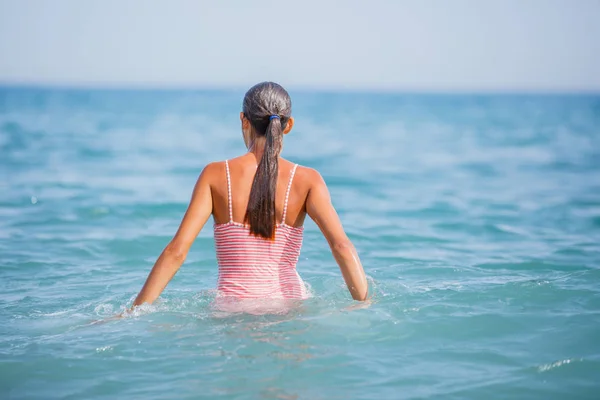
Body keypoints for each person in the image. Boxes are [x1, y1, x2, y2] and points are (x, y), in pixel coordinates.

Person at [132, 82, 368, 308]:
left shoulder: (214, 174)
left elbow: (177, 251)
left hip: (232, 310)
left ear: (243, 120)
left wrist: (132, 311)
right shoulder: (308, 179)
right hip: (290, 307)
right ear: (289, 125)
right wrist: (365, 304)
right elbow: (342, 246)